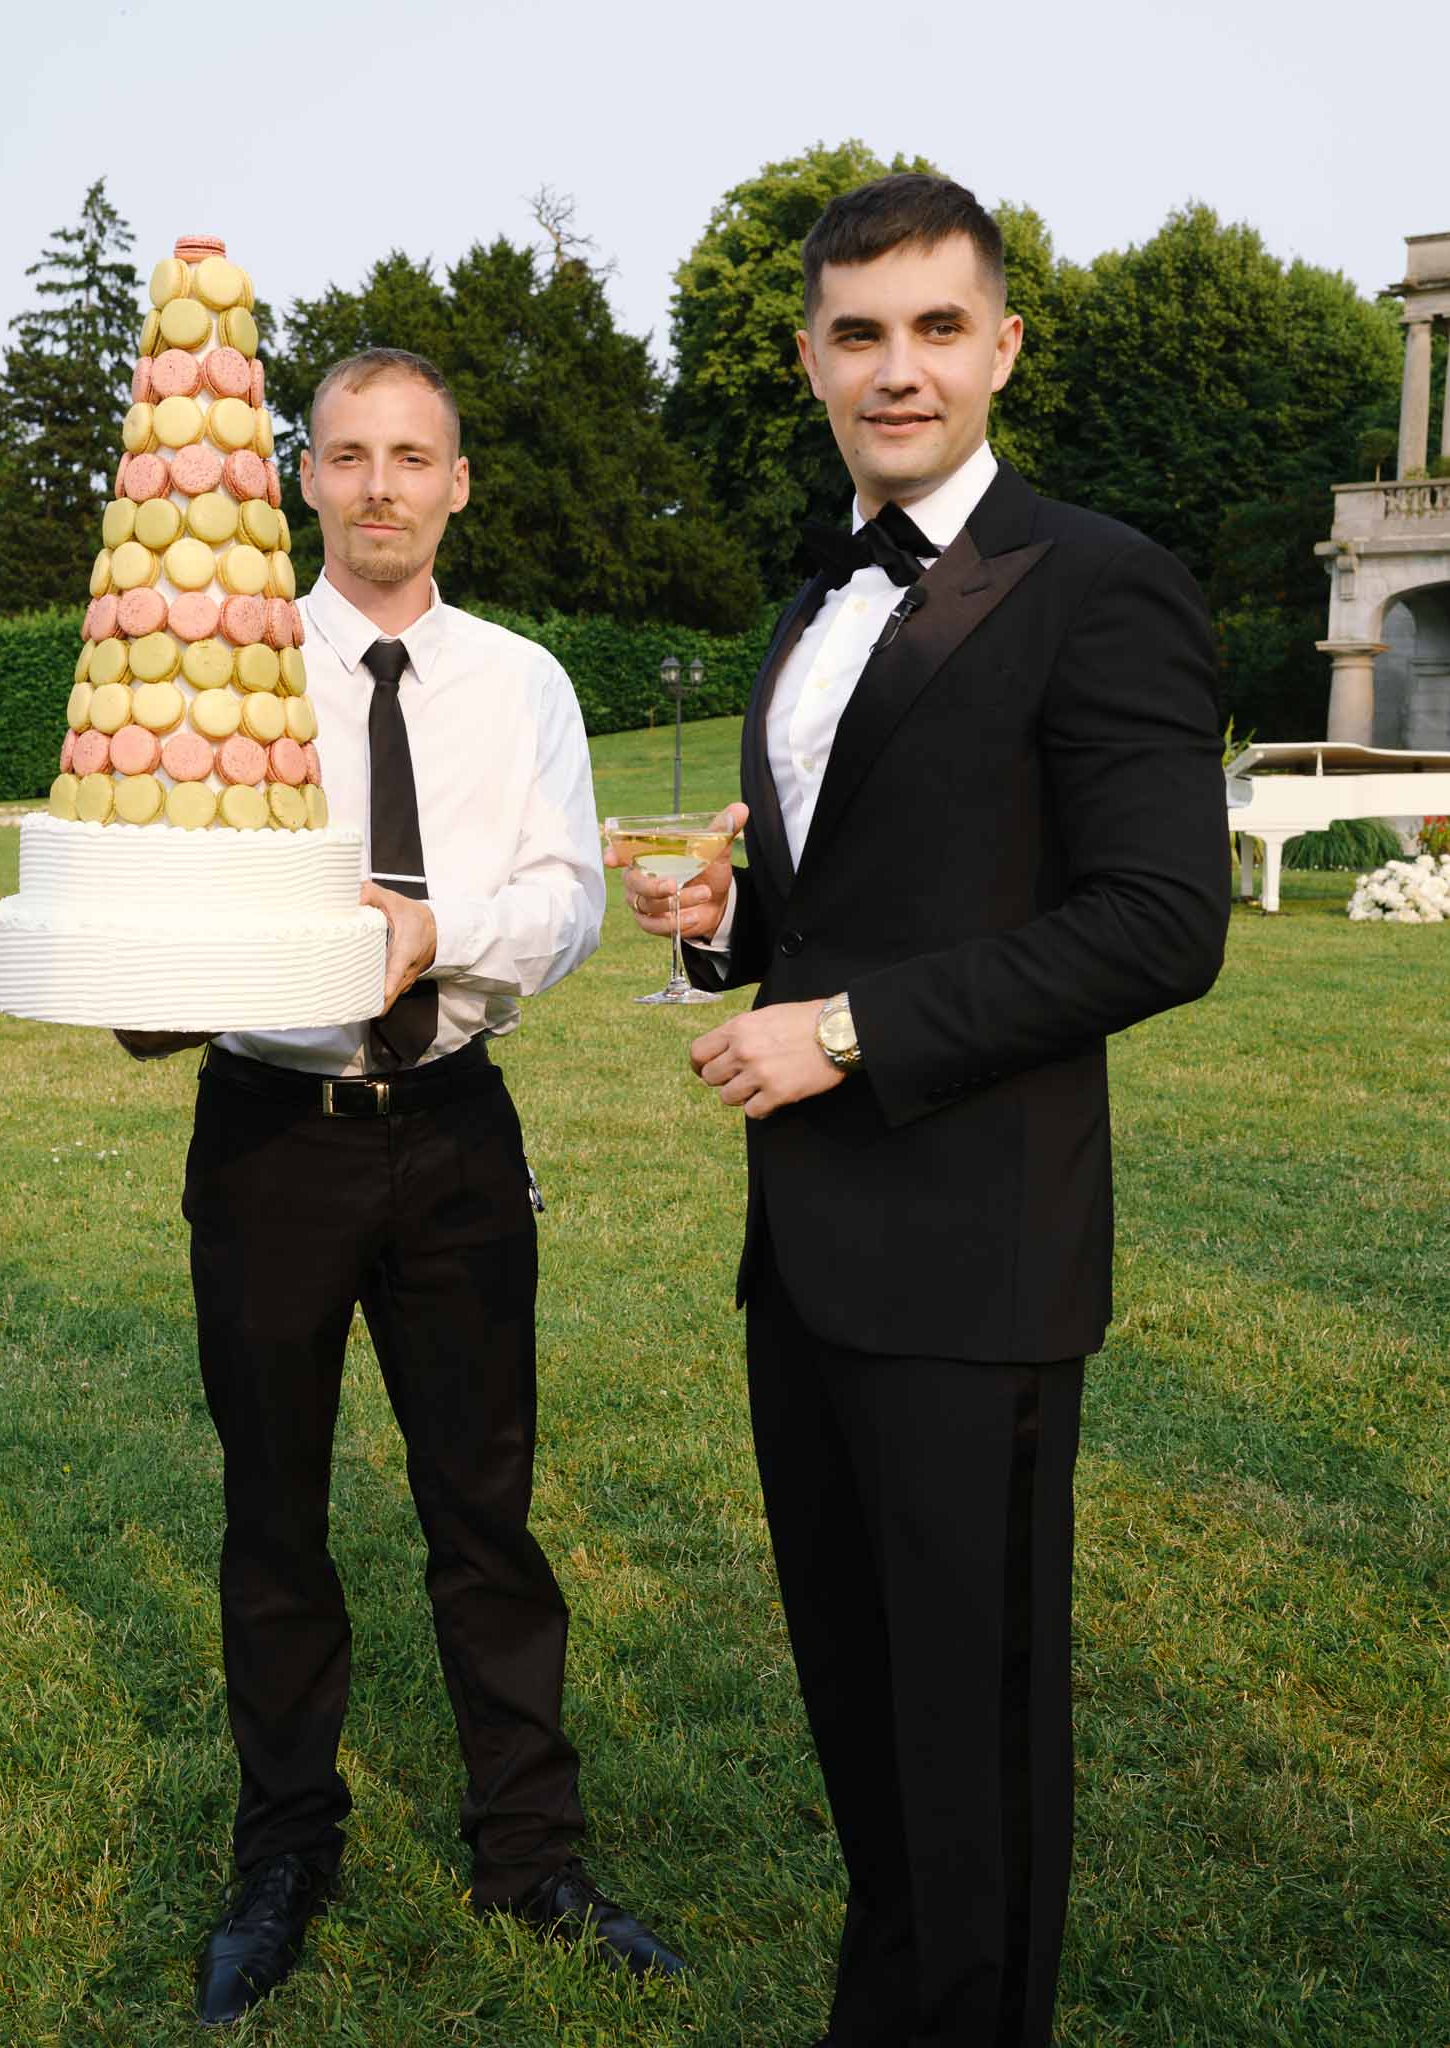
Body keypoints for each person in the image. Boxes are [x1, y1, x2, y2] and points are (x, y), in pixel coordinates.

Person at [611, 176, 1231, 2047]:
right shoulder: (812, 599)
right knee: (867, 1727)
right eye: (858, 335)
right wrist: (733, 942)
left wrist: (851, 1030)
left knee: (972, 1750)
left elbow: (1158, 920)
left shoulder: (1103, 580)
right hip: (800, 1261)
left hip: (975, 1258)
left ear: (1001, 347)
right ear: (808, 359)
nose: (898, 371)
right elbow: (843, 895)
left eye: (935, 329)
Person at [122, 348, 683, 2027]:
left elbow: (568, 899)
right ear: (304, 478)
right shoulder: (215, 672)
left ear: (457, 483)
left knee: (484, 1515)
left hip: (451, 1127)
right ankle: (284, 1853)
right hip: (271, 1133)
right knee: (273, 1513)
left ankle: (531, 1856)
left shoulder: (520, 683)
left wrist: (446, 933)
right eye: (350, 455)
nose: (380, 486)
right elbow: (153, 902)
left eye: (412, 456)